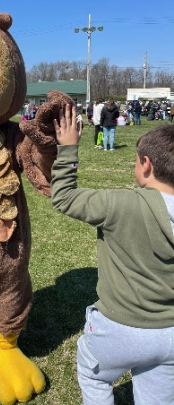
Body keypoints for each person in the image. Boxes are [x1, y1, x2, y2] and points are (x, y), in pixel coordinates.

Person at [51, 106, 174, 405]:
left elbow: (63, 197)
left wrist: (67, 148)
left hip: (118, 329)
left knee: (93, 374)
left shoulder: (120, 204)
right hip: (171, 335)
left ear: (145, 164)